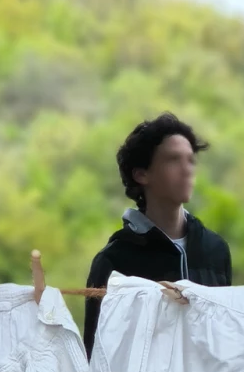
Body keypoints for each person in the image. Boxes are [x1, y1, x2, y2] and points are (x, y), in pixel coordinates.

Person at [83, 112, 232, 356]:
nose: (187, 170)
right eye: (173, 160)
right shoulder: (114, 261)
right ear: (141, 174)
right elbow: (95, 355)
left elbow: (225, 339)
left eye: (190, 160)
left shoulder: (216, 250)